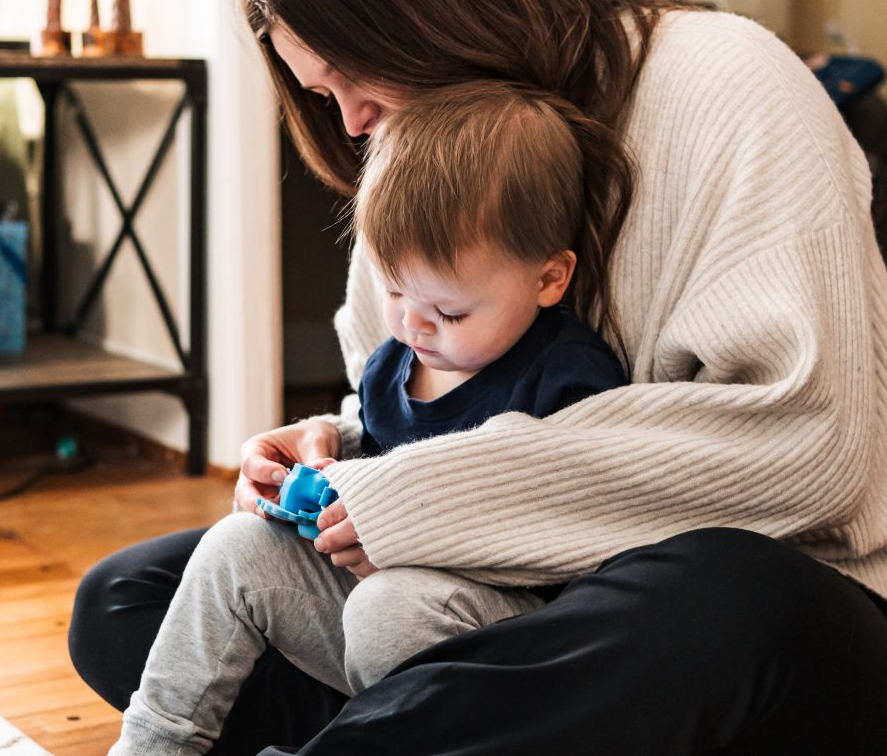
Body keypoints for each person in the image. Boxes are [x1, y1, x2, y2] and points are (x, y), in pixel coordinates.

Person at [70, 0, 887, 754]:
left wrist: (417, 499)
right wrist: (330, 446)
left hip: (794, 611)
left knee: (727, 595)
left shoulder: (731, 83)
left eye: (353, 74)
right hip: (474, 608)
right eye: (321, 93)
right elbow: (409, 410)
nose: (352, 124)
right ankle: (447, 729)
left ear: (425, 3)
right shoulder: (415, 156)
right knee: (125, 600)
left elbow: (806, 451)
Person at [107, 83, 628, 755]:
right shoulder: (394, 363)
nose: (412, 323)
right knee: (235, 545)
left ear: (549, 279)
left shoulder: (568, 375)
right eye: (392, 289)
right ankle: (153, 744)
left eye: (450, 311)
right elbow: (375, 450)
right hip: (365, 616)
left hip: (504, 638)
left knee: (391, 609)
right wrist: (328, 463)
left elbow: (582, 514)